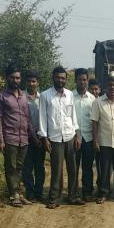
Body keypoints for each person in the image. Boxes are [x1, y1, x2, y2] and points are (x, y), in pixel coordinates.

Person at [39, 66, 82, 209]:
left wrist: (77, 134)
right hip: (55, 138)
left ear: (66, 79)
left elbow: (72, 114)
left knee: (73, 168)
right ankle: (53, 198)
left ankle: (73, 196)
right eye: (58, 77)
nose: (60, 80)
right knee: (56, 170)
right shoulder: (45, 95)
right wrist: (44, 138)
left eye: (63, 78)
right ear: (53, 78)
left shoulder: (69, 94)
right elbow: (42, 118)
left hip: (70, 136)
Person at [0, 64, 32, 207]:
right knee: (11, 167)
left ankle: (19, 193)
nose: (16, 80)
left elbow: (28, 118)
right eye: (13, 78)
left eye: (18, 78)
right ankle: (13, 195)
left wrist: (32, 135)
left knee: (20, 167)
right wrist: (0, 140)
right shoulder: (0, 96)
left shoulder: (24, 96)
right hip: (9, 137)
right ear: (7, 78)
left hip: (24, 138)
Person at [22, 70, 45, 202]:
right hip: (26, 137)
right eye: (29, 81)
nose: (31, 83)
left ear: (38, 83)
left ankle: (39, 192)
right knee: (27, 166)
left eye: (34, 81)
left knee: (39, 166)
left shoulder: (42, 98)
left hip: (40, 137)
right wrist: (33, 137)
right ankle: (29, 192)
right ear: (26, 82)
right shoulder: (22, 98)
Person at [73, 68, 96, 200]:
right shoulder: (69, 96)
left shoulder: (92, 99)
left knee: (88, 167)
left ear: (87, 81)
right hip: (74, 138)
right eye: (80, 79)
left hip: (88, 138)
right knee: (73, 167)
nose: (82, 82)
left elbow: (94, 121)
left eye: (85, 80)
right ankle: (74, 192)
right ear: (76, 80)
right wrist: (76, 135)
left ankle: (87, 192)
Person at [89, 78, 102, 189]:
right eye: (92, 89)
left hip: (100, 137)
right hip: (87, 137)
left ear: (100, 90)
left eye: (96, 89)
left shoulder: (102, 101)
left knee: (99, 163)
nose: (94, 92)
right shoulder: (88, 100)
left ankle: (100, 183)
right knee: (88, 164)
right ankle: (87, 188)